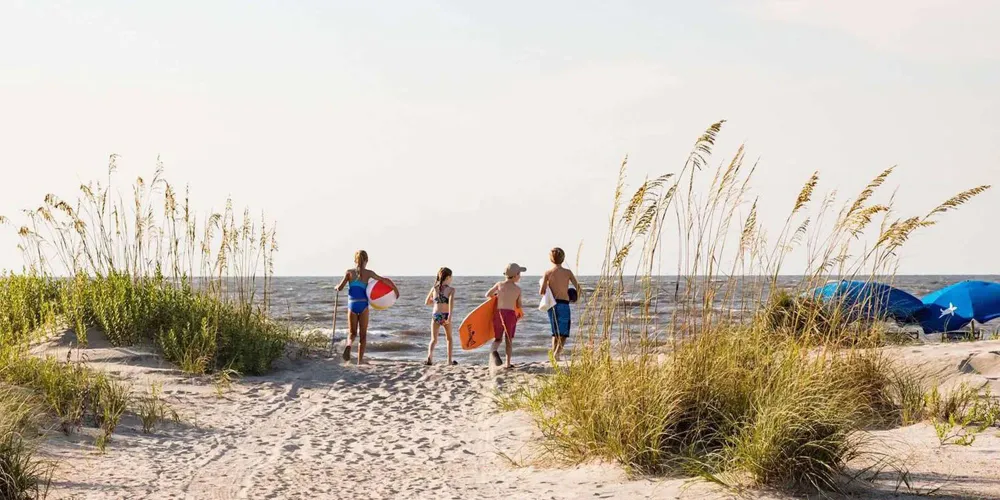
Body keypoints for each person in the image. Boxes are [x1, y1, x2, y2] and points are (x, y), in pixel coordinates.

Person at [335, 250, 399, 365]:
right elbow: (383, 280)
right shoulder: (369, 273)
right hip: (363, 304)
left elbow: (340, 288)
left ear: (355, 260)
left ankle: (349, 345)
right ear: (366, 260)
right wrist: (395, 289)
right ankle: (360, 361)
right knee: (363, 336)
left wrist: (336, 287)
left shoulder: (349, 272)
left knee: (352, 333)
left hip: (352, 304)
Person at [540, 247, 581, 360]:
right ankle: (557, 354)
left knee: (555, 331)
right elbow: (578, 287)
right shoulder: (567, 272)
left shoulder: (548, 273)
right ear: (563, 259)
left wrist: (547, 287)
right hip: (564, 304)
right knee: (564, 332)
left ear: (551, 260)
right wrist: (575, 298)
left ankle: (554, 354)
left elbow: (542, 292)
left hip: (552, 305)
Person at [486, 263, 525, 368]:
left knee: (498, 338)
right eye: (519, 274)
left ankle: (493, 350)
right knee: (509, 340)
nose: (520, 276)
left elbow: (488, 294)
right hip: (510, 315)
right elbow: (519, 305)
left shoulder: (499, 284)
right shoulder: (518, 289)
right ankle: (507, 363)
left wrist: (496, 297)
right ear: (516, 275)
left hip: (498, 314)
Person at [424, 267, 456, 366]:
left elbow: (427, 302)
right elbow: (451, 304)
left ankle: (429, 357)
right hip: (445, 315)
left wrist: (436, 301)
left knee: (433, 339)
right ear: (448, 277)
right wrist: (449, 317)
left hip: (436, 315)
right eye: (451, 277)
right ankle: (449, 361)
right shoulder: (451, 290)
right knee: (449, 338)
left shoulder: (434, 288)